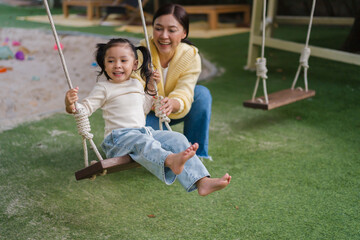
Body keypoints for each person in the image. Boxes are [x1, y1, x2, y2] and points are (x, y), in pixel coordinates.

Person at [65, 38, 230, 196]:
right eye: (111, 61)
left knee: (177, 138)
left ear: (134, 64)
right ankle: (171, 160)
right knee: (143, 142)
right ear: (104, 64)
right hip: (118, 139)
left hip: (143, 131)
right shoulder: (104, 88)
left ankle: (202, 181)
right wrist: (71, 105)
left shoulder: (137, 84)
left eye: (123, 60)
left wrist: (151, 84)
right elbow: (85, 108)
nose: (117, 66)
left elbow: (143, 107)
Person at [132, 3, 213, 160]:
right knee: (155, 148)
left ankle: (197, 153)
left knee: (202, 94)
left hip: (173, 108)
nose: (163, 35)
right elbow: (133, 94)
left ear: (183, 33)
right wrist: (149, 89)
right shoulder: (141, 53)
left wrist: (174, 103)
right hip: (146, 112)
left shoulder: (190, 55)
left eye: (172, 30)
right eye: (158, 28)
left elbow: (186, 88)